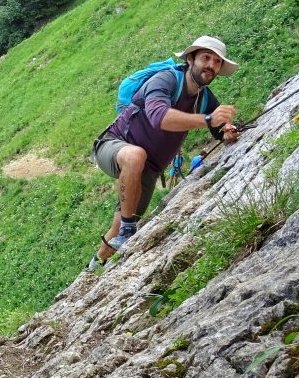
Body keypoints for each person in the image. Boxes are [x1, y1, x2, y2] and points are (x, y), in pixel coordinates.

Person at [88, 35, 241, 271]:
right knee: (134, 156)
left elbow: (218, 129)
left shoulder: (206, 99)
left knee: (118, 227)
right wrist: (209, 119)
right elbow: (159, 117)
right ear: (191, 59)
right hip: (114, 144)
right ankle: (130, 230)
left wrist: (226, 132)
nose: (211, 65)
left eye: (217, 62)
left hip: (149, 168)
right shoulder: (166, 80)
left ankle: (95, 266)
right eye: (206, 58)